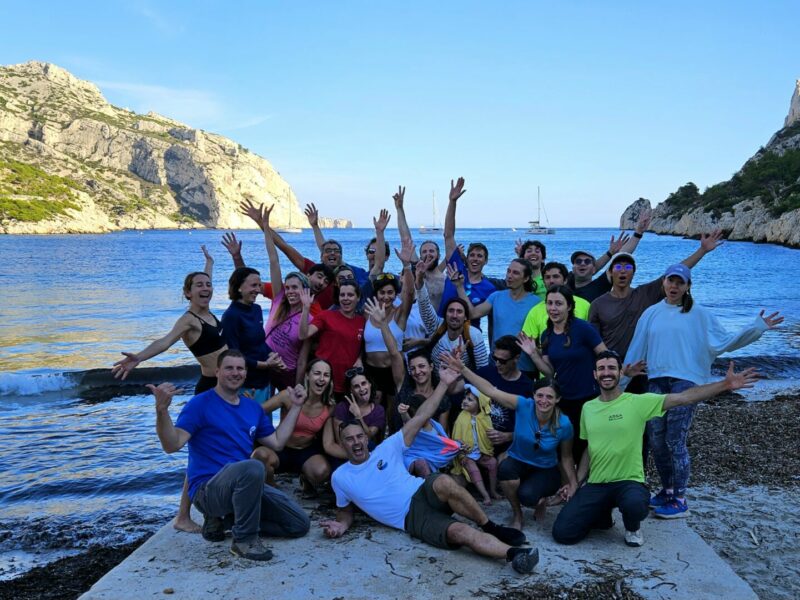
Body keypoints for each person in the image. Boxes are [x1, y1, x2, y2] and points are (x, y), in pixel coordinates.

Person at [320, 366, 540, 575]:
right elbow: (345, 511)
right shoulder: (341, 477)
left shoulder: (387, 448)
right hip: (411, 517)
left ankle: (490, 526)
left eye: (360, 436)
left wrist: (443, 383)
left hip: (424, 490)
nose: (356, 442)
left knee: (443, 481)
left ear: (366, 438)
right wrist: (340, 526)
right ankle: (514, 555)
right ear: (342, 443)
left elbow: (421, 417)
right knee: (459, 532)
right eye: (349, 439)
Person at [551, 351, 759, 548]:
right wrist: (575, 484)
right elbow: (589, 448)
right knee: (563, 534)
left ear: (620, 372)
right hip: (597, 483)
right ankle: (602, 514)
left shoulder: (637, 402)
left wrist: (724, 384)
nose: (607, 373)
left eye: (612, 368)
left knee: (634, 504)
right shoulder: (588, 408)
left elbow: (684, 398)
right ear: (595, 374)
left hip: (628, 481)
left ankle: (632, 528)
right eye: (602, 368)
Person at [624, 264, 783, 518]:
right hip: (656, 382)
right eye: (670, 281)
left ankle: (680, 499)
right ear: (663, 283)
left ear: (688, 286)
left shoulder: (699, 314)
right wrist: (621, 381)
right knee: (656, 440)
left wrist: (757, 328)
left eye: (680, 282)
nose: (674, 286)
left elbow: (725, 342)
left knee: (675, 439)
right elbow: (636, 349)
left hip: (687, 382)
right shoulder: (651, 313)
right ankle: (667, 490)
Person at [148, 350, 310, 561]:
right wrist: (162, 411)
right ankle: (244, 540)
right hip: (208, 491)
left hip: (244, 488)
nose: (235, 373)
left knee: (298, 524)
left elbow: (277, 442)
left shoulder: (252, 408)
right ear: (217, 372)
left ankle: (228, 522)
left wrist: (296, 407)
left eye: (240, 368)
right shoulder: (199, 404)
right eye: (229, 368)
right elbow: (172, 444)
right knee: (253, 467)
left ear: (245, 373)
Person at [111, 246, 225, 533]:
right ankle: (183, 516)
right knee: (199, 450)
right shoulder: (189, 320)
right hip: (209, 389)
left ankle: (216, 500)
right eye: (198, 285)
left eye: (208, 284)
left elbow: (205, 286)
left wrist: (208, 264)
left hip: (224, 386)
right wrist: (138, 357)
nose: (205, 288)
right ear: (187, 293)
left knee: (221, 445)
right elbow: (164, 342)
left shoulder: (209, 313)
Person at [443, 354, 577, 531]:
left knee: (528, 496)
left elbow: (567, 457)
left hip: (545, 468)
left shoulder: (564, 424)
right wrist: (463, 369)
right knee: (505, 470)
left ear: (557, 400)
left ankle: (539, 500)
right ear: (533, 395)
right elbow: (491, 391)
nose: (543, 401)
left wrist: (573, 484)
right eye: (540, 395)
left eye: (550, 397)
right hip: (519, 459)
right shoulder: (523, 405)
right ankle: (517, 514)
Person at [518, 285, 608, 464]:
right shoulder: (547, 334)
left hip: (589, 395)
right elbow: (550, 372)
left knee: (589, 442)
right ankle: (568, 482)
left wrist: (607, 382)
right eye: (549, 303)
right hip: (564, 397)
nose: (553, 308)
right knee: (567, 442)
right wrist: (533, 353)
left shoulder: (583, 328)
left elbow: (604, 354)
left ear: (569, 306)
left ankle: (589, 481)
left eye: (558, 303)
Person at [255, 358, 336, 497]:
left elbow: (328, 441)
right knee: (259, 456)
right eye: (317, 373)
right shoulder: (289, 395)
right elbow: (258, 412)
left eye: (326, 375)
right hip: (280, 449)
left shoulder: (330, 406)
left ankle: (306, 479)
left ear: (329, 380)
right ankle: (271, 485)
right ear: (307, 375)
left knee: (322, 471)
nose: (321, 378)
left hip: (306, 451)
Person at [450, 258, 539, 374]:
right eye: (508, 271)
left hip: (524, 367)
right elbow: (473, 314)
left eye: (515, 273)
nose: (509, 276)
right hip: (497, 364)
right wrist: (459, 287)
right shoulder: (496, 297)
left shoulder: (536, 303)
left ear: (526, 278)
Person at [221, 266, 285, 396]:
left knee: (265, 416)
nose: (258, 290)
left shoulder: (256, 309)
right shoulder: (231, 316)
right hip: (246, 385)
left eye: (259, 285)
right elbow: (234, 355)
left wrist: (274, 356)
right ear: (239, 287)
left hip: (265, 380)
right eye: (253, 285)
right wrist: (265, 365)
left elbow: (260, 343)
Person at [298, 280, 366, 397]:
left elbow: (363, 345)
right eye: (342, 295)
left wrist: (360, 358)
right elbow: (303, 334)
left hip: (348, 382)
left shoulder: (362, 321)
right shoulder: (326, 316)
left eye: (350, 295)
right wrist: (306, 308)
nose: (345, 298)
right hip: (323, 381)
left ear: (358, 298)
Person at [568, 211, 650, 303]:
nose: (582, 264)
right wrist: (609, 253)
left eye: (587, 261)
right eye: (578, 261)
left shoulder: (599, 286)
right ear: (573, 269)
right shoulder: (565, 282)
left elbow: (620, 257)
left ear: (593, 270)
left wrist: (638, 233)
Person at [473, 336, 533, 458]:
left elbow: (533, 429)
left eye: (503, 361)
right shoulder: (486, 373)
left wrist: (508, 436)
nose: (498, 363)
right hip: (479, 442)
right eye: (495, 359)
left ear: (516, 358)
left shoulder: (527, 387)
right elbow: (459, 388)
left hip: (510, 446)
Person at [448, 384, 500, 505]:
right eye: (465, 398)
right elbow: (456, 438)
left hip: (480, 452)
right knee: (472, 467)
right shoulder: (461, 417)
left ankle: (492, 490)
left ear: (479, 403)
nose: (465, 401)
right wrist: (460, 445)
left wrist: (486, 448)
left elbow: (488, 437)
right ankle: (485, 495)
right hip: (466, 453)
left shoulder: (484, 418)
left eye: (470, 400)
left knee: (492, 463)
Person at [521, 262, 590, 345]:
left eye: (556, 276)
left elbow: (592, 336)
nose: (551, 281)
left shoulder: (585, 305)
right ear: (543, 281)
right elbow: (528, 343)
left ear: (565, 280)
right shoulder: (535, 311)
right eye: (547, 277)